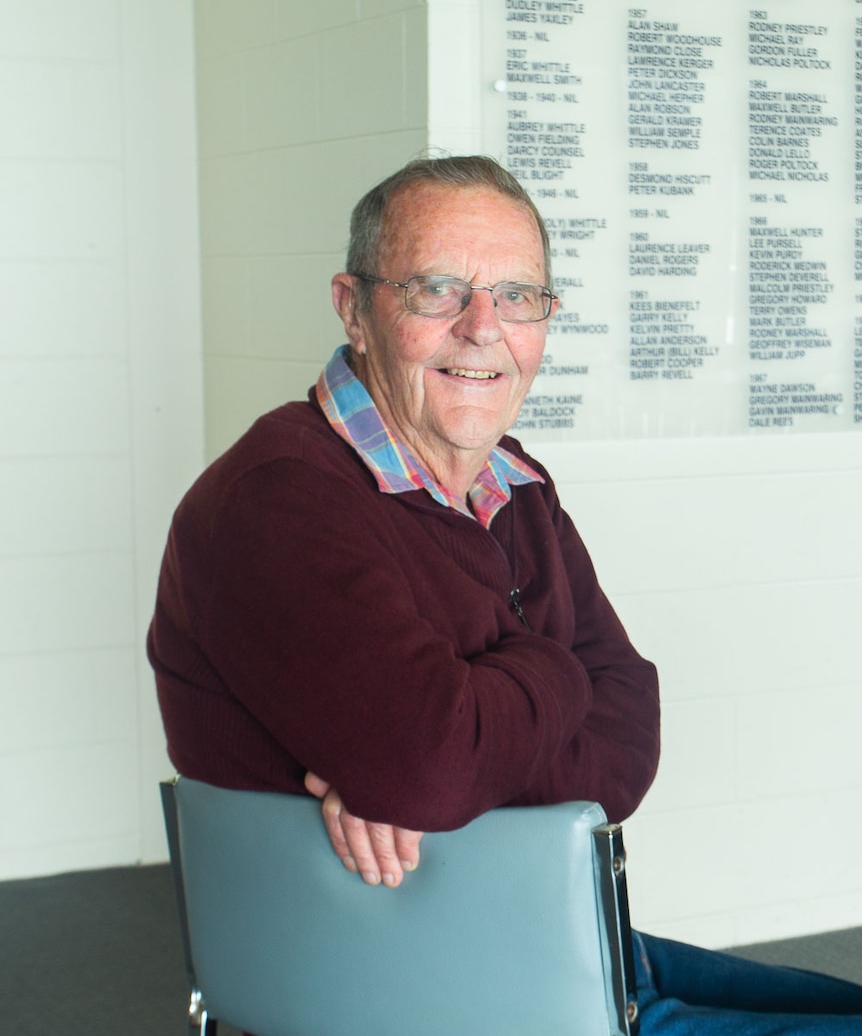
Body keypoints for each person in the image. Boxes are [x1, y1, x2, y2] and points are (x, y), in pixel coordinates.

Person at [148, 155, 862, 1033]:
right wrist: (550, 677)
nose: (483, 328)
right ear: (355, 309)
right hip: (412, 987)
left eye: (519, 295)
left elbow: (629, 738)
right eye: (438, 289)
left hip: (540, 939)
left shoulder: (515, 484)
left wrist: (452, 745)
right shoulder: (274, 500)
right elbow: (435, 758)